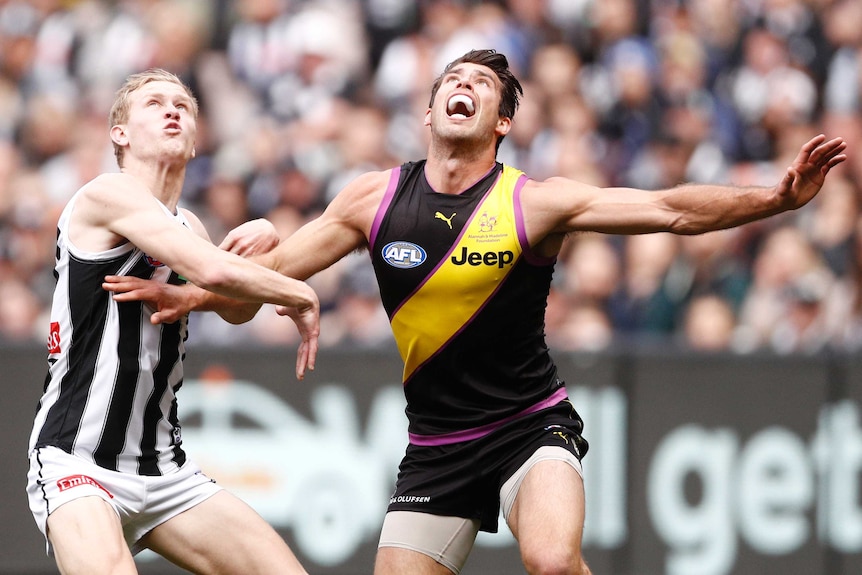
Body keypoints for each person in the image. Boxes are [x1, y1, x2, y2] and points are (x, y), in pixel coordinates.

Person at [105, 50, 847, 575]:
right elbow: (267, 283)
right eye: (452, 79)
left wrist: (776, 199)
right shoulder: (373, 199)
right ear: (429, 110)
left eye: (483, 85)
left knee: (552, 560)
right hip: (436, 445)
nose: (465, 86)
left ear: (500, 124)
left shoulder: (532, 202)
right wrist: (197, 291)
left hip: (531, 424)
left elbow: (669, 211)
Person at [27, 68, 319, 575]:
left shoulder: (189, 226)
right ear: (120, 133)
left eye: (183, 106)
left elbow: (234, 307)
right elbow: (213, 271)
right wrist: (297, 290)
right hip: (77, 461)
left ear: (195, 138)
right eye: (155, 103)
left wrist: (264, 247)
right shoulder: (104, 195)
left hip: (164, 468)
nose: (172, 110)